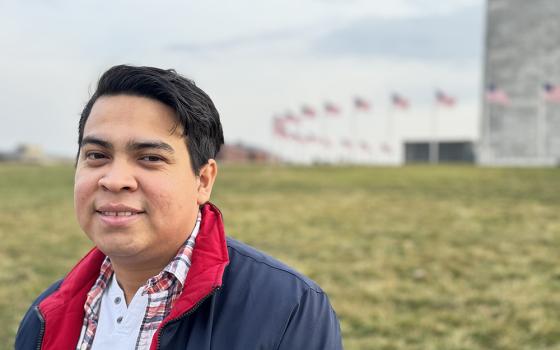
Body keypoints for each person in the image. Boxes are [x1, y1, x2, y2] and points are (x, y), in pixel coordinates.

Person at [15, 65, 343, 349]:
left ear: (203, 180)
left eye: (150, 158)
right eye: (97, 156)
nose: (114, 180)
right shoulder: (44, 316)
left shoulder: (289, 309)